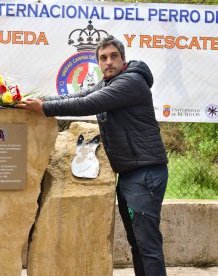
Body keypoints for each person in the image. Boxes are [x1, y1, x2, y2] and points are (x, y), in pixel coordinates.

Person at [16, 35, 168, 276]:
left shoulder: (130, 82)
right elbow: (76, 96)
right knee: (137, 243)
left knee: (147, 245)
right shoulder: (109, 82)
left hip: (145, 174)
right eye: (103, 58)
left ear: (123, 59)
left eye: (113, 56)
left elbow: (86, 105)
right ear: (98, 62)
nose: (109, 62)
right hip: (131, 173)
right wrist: (38, 101)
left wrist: (44, 109)